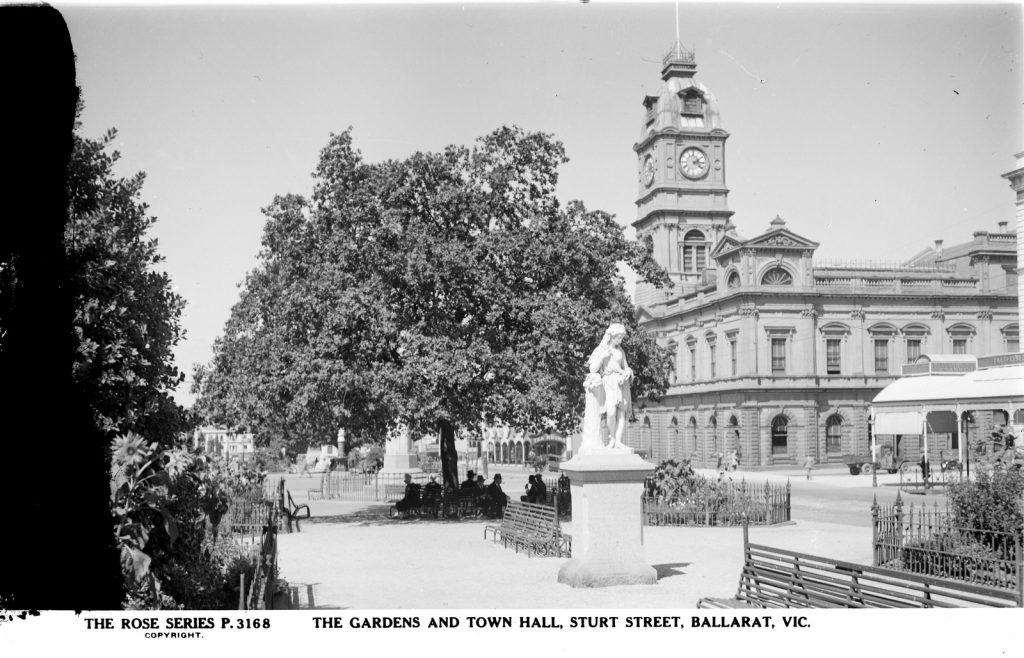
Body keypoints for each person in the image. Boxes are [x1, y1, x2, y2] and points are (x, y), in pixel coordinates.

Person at [587, 323, 633, 449]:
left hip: (621, 382)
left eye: (622, 338)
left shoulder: (620, 351)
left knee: (621, 413)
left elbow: (626, 366)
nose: (620, 340)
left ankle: (618, 441)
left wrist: (628, 372)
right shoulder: (601, 350)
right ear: (611, 336)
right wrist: (602, 357)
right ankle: (612, 437)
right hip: (608, 381)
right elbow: (592, 369)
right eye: (619, 337)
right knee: (611, 412)